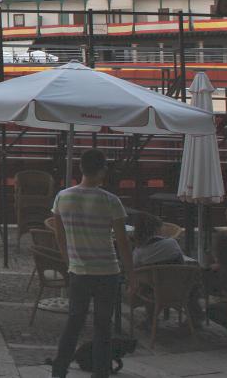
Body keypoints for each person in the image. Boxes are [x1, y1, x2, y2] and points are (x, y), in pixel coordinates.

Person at [50, 149, 133, 378]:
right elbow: (123, 243)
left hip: (79, 271)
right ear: (101, 170)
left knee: (73, 324)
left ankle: (59, 370)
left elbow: (59, 236)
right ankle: (100, 373)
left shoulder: (62, 197)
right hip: (107, 271)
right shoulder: (111, 201)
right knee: (102, 327)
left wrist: (69, 261)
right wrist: (132, 276)